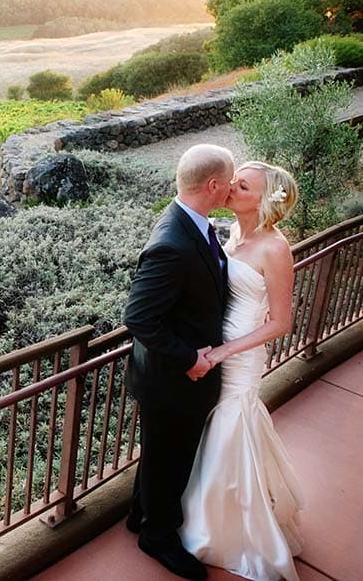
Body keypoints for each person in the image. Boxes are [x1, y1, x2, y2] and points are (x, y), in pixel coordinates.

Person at [179, 161, 304, 581]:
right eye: (233, 181)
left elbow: (280, 322)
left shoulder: (276, 248)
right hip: (217, 346)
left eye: (243, 185)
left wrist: (222, 352)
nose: (231, 187)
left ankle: (229, 531)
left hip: (241, 353)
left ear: (265, 200)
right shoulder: (233, 233)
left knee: (231, 429)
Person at [123, 143, 235, 580]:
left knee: (160, 454)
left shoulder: (195, 225)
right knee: (172, 459)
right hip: (175, 378)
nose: (230, 189)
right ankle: (159, 537)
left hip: (173, 375)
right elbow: (137, 317)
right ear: (212, 185)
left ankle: (139, 516)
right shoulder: (172, 243)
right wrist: (190, 357)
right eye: (228, 182)